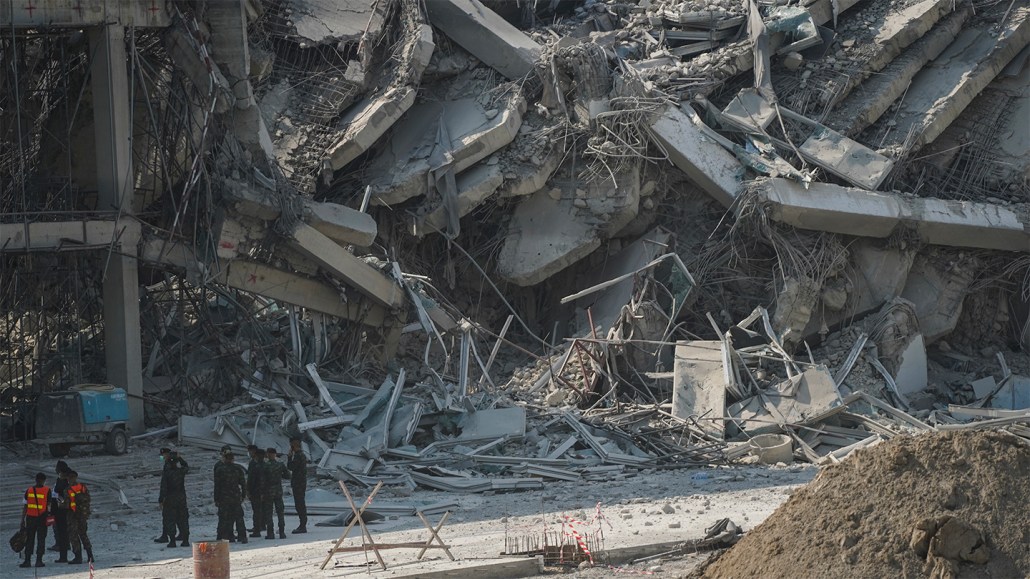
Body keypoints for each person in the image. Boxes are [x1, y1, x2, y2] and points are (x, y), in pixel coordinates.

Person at [214, 451, 248, 544]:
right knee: (239, 518)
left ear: (224, 458)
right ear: (233, 459)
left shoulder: (220, 470)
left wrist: (216, 499)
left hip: (224, 497)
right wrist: (243, 495)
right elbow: (243, 484)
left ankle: (224, 536)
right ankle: (242, 536)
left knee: (224, 518)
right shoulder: (238, 469)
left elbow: (217, 486)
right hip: (235, 497)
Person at [159, 450, 190, 548]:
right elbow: (186, 466)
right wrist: (180, 458)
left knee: (170, 519)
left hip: (170, 499)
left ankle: (172, 541)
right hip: (181, 499)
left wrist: (161, 500)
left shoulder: (167, 474)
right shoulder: (181, 472)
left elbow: (163, 488)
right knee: (183, 519)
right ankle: (185, 540)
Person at [62, 470, 93, 564]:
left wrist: (60, 504)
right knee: (83, 534)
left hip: (73, 515)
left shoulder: (68, 489)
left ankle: (78, 557)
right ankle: (90, 556)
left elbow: (67, 505)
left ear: (69, 478)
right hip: (83, 514)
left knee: (73, 535)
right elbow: (88, 498)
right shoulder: (82, 487)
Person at [20, 472, 49, 568]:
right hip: (42, 518)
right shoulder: (47, 490)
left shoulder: (29, 490)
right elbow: (49, 505)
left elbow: (25, 506)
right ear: (44, 480)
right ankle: (39, 561)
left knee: (29, 540)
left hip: (30, 518)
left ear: (35, 480)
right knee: (41, 539)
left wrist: (22, 520)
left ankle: (27, 561)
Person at [50, 461, 70, 562]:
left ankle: (64, 555)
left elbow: (60, 496)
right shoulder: (60, 480)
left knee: (63, 533)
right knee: (61, 533)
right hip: (58, 510)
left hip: (62, 511)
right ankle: (63, 554)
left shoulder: (64, 482)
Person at [287, 438, 308, 534]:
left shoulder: (298, 456)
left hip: (298, 483)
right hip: (300, 482)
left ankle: (302, 525)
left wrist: (289, 457)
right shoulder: (302, 455)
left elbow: (290, 467)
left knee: (299, 504)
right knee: (300, 504)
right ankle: (302, 524)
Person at [246, 445, 263, 537]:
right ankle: (259, 526)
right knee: (259, 510)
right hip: (259, 490)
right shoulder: (254, 463)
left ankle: (257, 529)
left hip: (256, 490)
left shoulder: (256, 464)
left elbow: (252, 479)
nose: (250, 453)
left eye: (251, 451)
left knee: (257, 510)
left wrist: (248, 490)